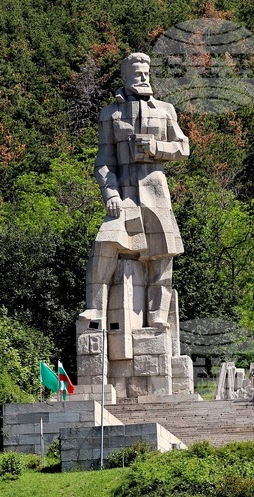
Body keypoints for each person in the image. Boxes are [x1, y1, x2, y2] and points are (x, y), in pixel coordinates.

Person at [79, 52, 190, 332]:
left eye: (146, 73)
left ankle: (158, 317)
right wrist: (110, 195)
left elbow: (184, 147)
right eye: (137, 73)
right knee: (104, 243)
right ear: (126, 76)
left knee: (162, 258)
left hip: (156, 193)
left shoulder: (165, 109)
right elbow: (104, 161)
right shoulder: (110, 114)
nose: (143, 78)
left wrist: (156, 148)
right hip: (125, 194)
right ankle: (94, 307)